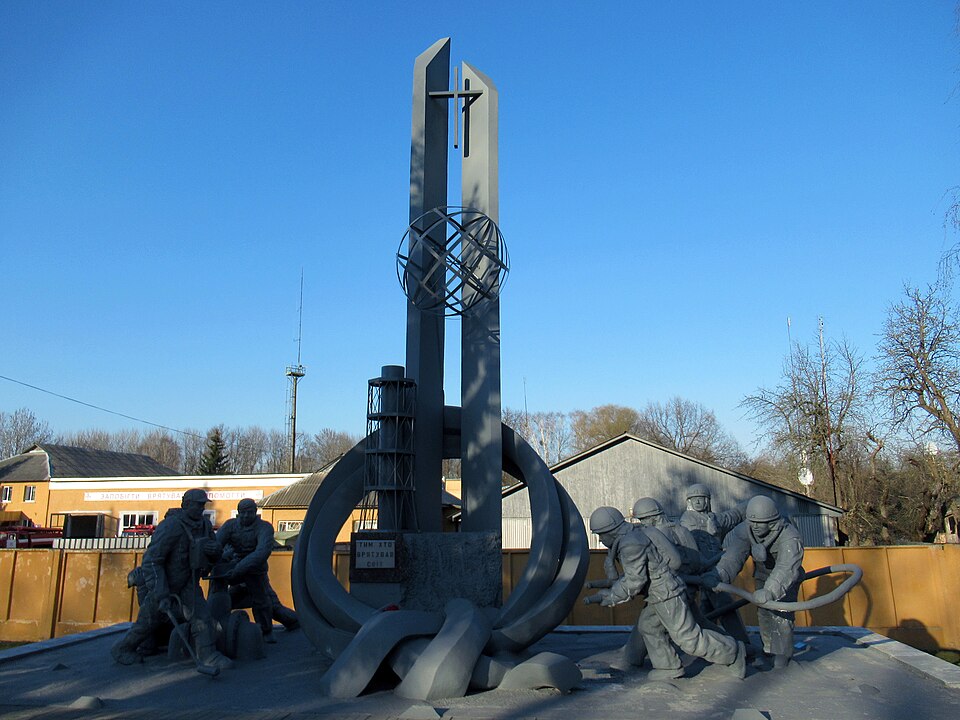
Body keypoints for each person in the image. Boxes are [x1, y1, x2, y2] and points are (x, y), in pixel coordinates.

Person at [588, 506, 745, 681]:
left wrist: (611, 596)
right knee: (649, 626)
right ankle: (667, 666)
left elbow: (635, 581)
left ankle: (733, 652)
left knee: (687, 638)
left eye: (600, 535)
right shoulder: (636, 533)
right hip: (663, 591)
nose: (600, 540)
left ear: (610, 530)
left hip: (666, 594)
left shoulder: (630, 544)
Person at [111, 489, 231, 669]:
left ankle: (208, 656)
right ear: (186, 505)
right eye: (197, 505)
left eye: (203, 505)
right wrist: (160, 592)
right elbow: (152, 560)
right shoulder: (171, 526)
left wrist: (214, 551)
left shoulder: (205, 526)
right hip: (166, 584)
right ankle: (123, 649)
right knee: (147, 622)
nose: (201, 508)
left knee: (202, 617)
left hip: (189, 582)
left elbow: (212, 553)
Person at [708, 495, 804, 669]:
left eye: (760, 523)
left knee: (781, 615)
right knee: (764, 613)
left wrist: (770, 591)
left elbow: (786, 568)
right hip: (761, 575)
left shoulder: (789, 536)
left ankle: (783, 654)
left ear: (772, 522)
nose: (756, 527)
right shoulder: (745, 530)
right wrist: (718, 576)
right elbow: (733, 557)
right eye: (753, 522)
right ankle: (768, 649)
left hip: (785, 580)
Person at [679, 484, 750, 643]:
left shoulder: (715, 518)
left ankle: (710, 641)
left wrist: (752, 503)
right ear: (689, 501)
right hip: (702, 569)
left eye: (701, 499)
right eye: (694, 499)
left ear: (707, 501)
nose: (698, 502)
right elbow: (690, 542)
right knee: (723, 603)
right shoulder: (687, 520)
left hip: (717, 567)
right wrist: (712, 533)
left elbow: (734, 516)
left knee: (707, 607)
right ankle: (742, 642)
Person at [216, 498, 281, 642]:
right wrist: (222, 556)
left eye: (249, 512)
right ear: (238, 513)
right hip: (233, 565)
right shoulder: (230, 525)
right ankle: (215, 625)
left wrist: (239, 569)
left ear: (255, 512)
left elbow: (261, 553)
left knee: (262, 600)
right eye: (243, 512)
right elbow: (217, 544)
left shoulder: (264, 527)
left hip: (255, 568)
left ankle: (266, 631)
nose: (246, 516)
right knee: (217, 592)